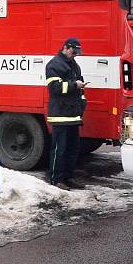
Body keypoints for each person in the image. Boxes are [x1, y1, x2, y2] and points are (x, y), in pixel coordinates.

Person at [46, 37, 87, 190]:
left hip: (73, 114)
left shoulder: (74, 65)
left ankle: (68, 177)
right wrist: (73, 85)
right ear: (65, 47)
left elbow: (80, 86)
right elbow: (54, 88)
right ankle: (56, 179)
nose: (75, 54)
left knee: (72, 148)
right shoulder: (54, 65)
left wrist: (82, 101)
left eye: (77, 52)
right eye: (73, 51)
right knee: (60, 149)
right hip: (60, 114)